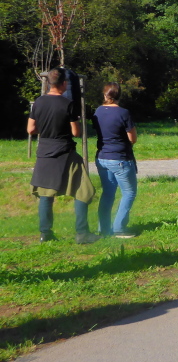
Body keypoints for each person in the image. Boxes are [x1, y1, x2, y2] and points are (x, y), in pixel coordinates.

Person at [27, 67, 99, 244]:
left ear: (49, 83)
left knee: (46, 194)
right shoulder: (68, 104)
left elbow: (30, 129)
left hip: (44, 152)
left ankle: (45, 234)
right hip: (65, 152)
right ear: (64, 84)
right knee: (83, 190)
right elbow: (76, 132)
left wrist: (45, 130)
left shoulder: (39, 102)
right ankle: (82, 233)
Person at [92, 82, 138, 238]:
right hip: (120, 158)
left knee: (108, 193)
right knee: (129, 192)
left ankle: (103, 228)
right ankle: (119, 228)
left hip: (102, 157)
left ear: (105, 94)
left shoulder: (98, 111)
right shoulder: (123, 113)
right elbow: (132, 138)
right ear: (119, 95)